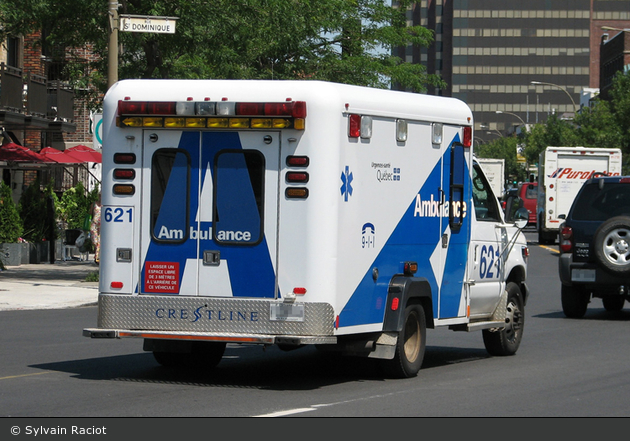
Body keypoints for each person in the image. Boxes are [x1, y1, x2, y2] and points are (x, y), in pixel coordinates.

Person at [90, 194, 102, 264]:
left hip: (102, 226)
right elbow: (90, 213)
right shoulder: (94, 204)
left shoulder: (105, 204)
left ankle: (97, 257)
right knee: (95, 241)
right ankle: (97, 256)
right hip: (94, 224)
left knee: (99, 242)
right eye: (100, 196)